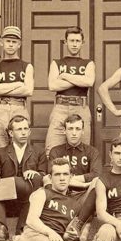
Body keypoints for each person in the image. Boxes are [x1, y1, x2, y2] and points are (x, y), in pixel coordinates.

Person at [0, 115, 46, 241]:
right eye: (19, 129)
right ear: (10, 133)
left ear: (30, 131)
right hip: (6, 202)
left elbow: (44, 175)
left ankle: (21, 229)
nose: (24, 132)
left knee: (37, 182)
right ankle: (2, 228)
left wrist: (35, 173)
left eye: (26, 129)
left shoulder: (39, 152)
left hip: (28, 203)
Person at [47, 114, 101, 241]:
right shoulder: (56, 151)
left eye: (77, 129)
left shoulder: (92, 151)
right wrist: (83, 183)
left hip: (83, 197)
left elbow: (97, 174)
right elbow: (53, 176)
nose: (74, 133)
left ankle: (80, 224)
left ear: (83, 131)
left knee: (97, 183)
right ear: (64, 131)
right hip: (62, 196)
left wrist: (74, 180)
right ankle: (82, 226)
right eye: (70, 129)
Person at [45, 27, 95, 156]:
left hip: (81, 107)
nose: (74, 44)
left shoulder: (88, 63)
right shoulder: (57, 63)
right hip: (60, 107)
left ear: (82, 43)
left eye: (77, 41)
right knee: (52, 149)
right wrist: (79, 80)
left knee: (82, 150)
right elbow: (53, 85)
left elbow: (89, 82)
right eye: (71, 40)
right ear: (65, 42)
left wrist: (65, 75)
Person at [0, 26, 34, 151]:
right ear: (1, 42)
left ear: (19, 44)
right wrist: (18, 84)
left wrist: (2, 88)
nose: (10, 45)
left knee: (20, 149)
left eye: (14, 42)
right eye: (8, 41)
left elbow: (28, 90)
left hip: (19, 107)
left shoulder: (26, 66)